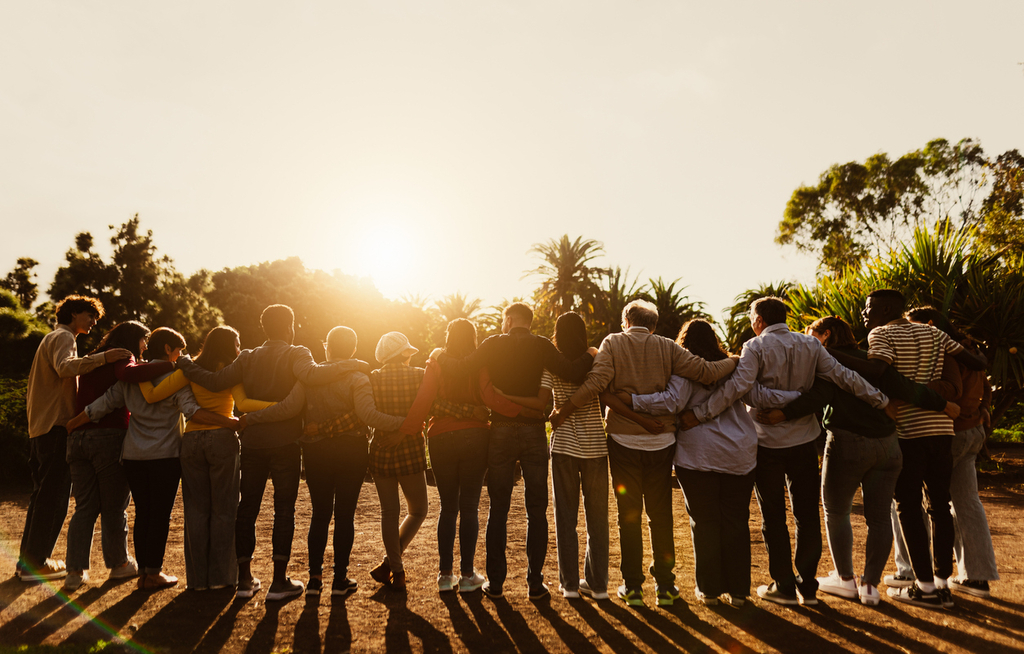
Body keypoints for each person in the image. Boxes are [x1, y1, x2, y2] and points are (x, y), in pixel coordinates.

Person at [678, 297, 889, 607]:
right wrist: (881, 400)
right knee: (807, 515)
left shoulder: (754, 347)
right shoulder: (811, 345)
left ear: (760, 320)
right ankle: (808, 588)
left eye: (752, 317)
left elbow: (738, 387)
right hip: (803, 441)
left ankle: (783, 585)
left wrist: (701, 414)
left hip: (766, 445)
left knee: (773, 516)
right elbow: (845, 377)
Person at [757, 316, 957, 606]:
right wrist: (942, 404)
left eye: (811, 333)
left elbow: (821, 393)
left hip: (848, 443)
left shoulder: (825, 362)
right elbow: (903, 386)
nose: (806, 337)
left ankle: (846, 580)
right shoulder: (874, 362)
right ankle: (870, 586)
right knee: (879, 517)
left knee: (836, 511)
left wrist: (784, 413)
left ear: (825, 336)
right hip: (889, 446)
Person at [550, 300, 739, 607]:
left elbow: (597, 383)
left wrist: (564, 410)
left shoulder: (612, 342)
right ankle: (665, 586)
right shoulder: (667, 347)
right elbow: (706, 372)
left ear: (626, 321)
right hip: (662, 444)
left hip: (623, 442)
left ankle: (633, 587)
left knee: (630, 516)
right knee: (660, 516)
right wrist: (735, 359)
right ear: (653, 325)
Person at [176, 304, 365, 601]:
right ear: (290, 326)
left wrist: (185, 363)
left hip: (252, 444)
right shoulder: (297, 352)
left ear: (264, 328)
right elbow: (313, 376)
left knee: (247, 508)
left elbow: (213, 381)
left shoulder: (248, 357)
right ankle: (279, 582)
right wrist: (350, 364)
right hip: (285, 443)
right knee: (283, 510)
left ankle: (244, 581)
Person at [619, 320, 798, 607]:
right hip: (739, 453)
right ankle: (739, 592)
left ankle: (710, 590)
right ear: (714, 339)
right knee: (736, 521)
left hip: (697, 453)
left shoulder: (685, 369)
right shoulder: (734, 366)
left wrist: (632, 400)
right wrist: (798, 398)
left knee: (704, 523)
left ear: (683, 341)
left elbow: (671, 403)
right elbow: (758, 396)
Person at [435, 302, 596, 600]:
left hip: (501, 431)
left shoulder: (492, 343)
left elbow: (460, 367)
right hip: (534, 432)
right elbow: (572, 372)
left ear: (508, 320)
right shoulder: (542, 345)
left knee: (499, 509)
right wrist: (591, 352)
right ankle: (535, 584)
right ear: (530, 322)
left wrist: (438, 354)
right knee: (537, 510)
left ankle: (496, 584)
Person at [838, 289, 987, 609]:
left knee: (907, 505)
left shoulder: (882, 333)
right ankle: (944, 583)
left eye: (869, 308)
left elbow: (878, 371)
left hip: (908, 431)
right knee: (940, 504)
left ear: (887, 309)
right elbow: (974, 361)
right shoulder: (933, 331)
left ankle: (925, 588)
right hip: (942, 430)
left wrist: (831, 355)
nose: (864, 314)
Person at [238, 326, 408, 598]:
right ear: (352, 349)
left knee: (319, 514)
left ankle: (315, 579)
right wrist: (405, 424)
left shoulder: (309, 378)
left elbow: (287, 408)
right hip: (352, 451)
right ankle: (340, 579)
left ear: (327, 346)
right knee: (344, 516)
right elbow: (367, 415)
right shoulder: (358, 377)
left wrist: (250, 418)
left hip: (317, 453)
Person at [68, 328, 239, 590]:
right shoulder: (175, 377)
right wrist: (228, 422)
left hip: (134, 455)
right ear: (169, 349)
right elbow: (192, 411)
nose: (181, 356)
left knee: (143, 514)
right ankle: (153, 573)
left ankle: (143, 575)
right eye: (179, 351)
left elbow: (103, 404)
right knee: (159, 515)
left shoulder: (132, 378)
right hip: (165, 456)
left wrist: (72, 424)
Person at [399, 319, 530, 594]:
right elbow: (489, 397)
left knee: (447, 508)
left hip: (440, 438)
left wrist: (406, 430)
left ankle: (445, 576)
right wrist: (523, 411)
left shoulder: (435, 361)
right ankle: (468, 575)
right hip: (475, 438)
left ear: (448, 337)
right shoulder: (479, 363)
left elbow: (425, 398)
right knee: (469, 507)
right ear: (473, 338)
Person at [138, 325, 274, 591]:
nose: (239, 349)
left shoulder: (189, 370)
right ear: (228, 346)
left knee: (196, 512)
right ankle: (223, 579)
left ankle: (198, 581)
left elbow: (153, 395)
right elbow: (244, 405)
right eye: (237, 343)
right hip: (222, 439)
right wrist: (277, 407)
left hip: (191, 443)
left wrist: (137, 370)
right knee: (224, 511)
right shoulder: (231, 371)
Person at [20, 295, 128, 583]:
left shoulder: (50, 338)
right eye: (90, 316)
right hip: (56, 427)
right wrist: (104, 358)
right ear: (74, 313)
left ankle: (28, 562)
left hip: (41, 428)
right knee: (54, 499)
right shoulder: (63, 337)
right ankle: (37, 565)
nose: (93, 323)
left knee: (42, 497)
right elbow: (65, 367)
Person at [64, 321, 176, 591]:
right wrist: (175, 365)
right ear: (133, 339)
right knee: (114, 506)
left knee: (85, 507)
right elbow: (127, 378)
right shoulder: (124, 357)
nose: (145, 346)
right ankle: (119, 565)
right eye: (143, 340)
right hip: (107, 436)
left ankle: (75, 571)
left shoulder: (98, 356)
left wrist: (75, 423)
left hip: (79, 438)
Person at [904, 307, 998, 599]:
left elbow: (951, 390)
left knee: (920, 502)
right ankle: (977, 576)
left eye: (913, 327)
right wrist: (982, 409)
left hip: (949, 432)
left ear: (930, 325)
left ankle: (910, 570)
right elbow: (986, 387)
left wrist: (904, 385)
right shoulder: (969, 349)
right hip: (973, 430)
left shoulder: (943, 352)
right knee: (966, 502)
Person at [364, 331, 434, 591]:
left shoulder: (372, 378)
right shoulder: (418, 376)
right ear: (404, 353)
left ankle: (394, 567)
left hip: (380, 451)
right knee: (418, 511)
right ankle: (392, 564)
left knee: (389, 513)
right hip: (410, 452)